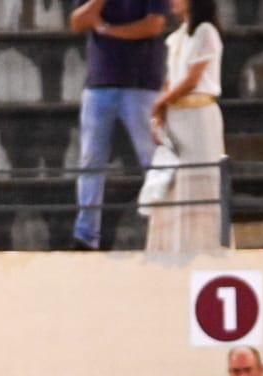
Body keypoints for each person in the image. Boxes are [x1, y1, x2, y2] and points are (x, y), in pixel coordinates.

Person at [70, 0, 169, 250]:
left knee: (153, 160)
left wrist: (106, 29)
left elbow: (154, 25)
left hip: (141, 83)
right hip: (99, 84)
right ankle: (85, 235)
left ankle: (166, 228)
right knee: (91, 161)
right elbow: (77, 22)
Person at [146, 0, 226, 252]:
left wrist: (160, 102)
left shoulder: (206, 32)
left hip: (199, 116)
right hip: (177, 117)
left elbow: (192, 79)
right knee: (174, 181)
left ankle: (205, 247)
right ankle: (172, 246)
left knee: (200, 181)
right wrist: (161, 113)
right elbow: (171, 79)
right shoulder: (176, 37)